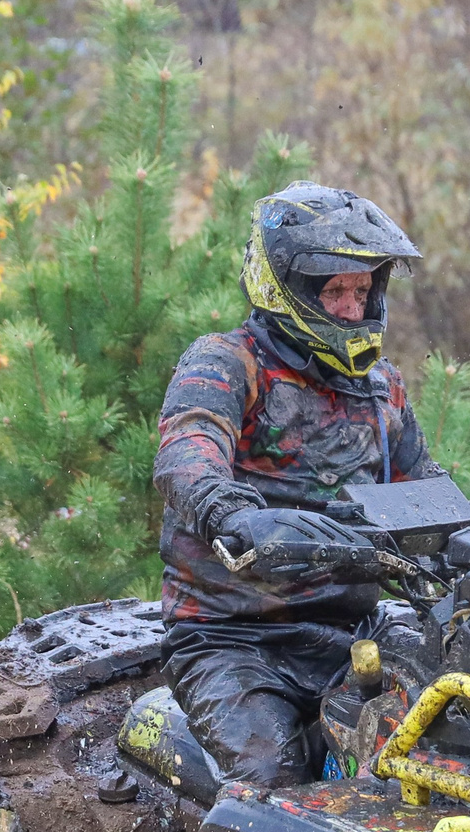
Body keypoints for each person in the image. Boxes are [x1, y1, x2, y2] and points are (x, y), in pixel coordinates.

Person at [152, 182, 443, 787]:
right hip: (234, 637)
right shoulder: (228, 362)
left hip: (356, 629)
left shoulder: (381, 386)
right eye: (334, 289)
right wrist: (229, 512)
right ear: (285, 288)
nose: (350, 307)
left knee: (465, 724)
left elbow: (429, 493)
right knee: (272, 779)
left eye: (361, 289)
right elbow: (189, 447)